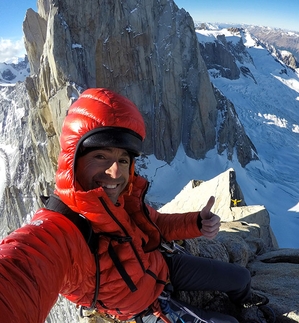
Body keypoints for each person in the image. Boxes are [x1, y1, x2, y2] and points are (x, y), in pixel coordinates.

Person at [0, 88, 268, 323]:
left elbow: (157, 224)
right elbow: (20, 272)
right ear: (74, 161)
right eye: (101, 156)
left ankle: (245, 302)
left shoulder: (123, 199)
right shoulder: (62, 229)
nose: (116, 172)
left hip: (163, 268)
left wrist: (196, 222)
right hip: (142, 308)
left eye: (124, 159)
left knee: (241, 277)